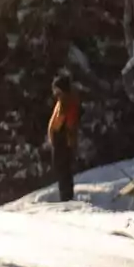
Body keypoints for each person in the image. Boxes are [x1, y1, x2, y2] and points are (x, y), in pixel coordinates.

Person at [46, 73, 82, 203]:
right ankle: (65, 196)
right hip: (59, 140)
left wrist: (67, 138)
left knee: (64, 171)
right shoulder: (62, 101)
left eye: (57, 89)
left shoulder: (68, 102)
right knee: (61, 171)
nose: (55, 92)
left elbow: (69, 124)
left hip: (64, 141)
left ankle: (66, 198)